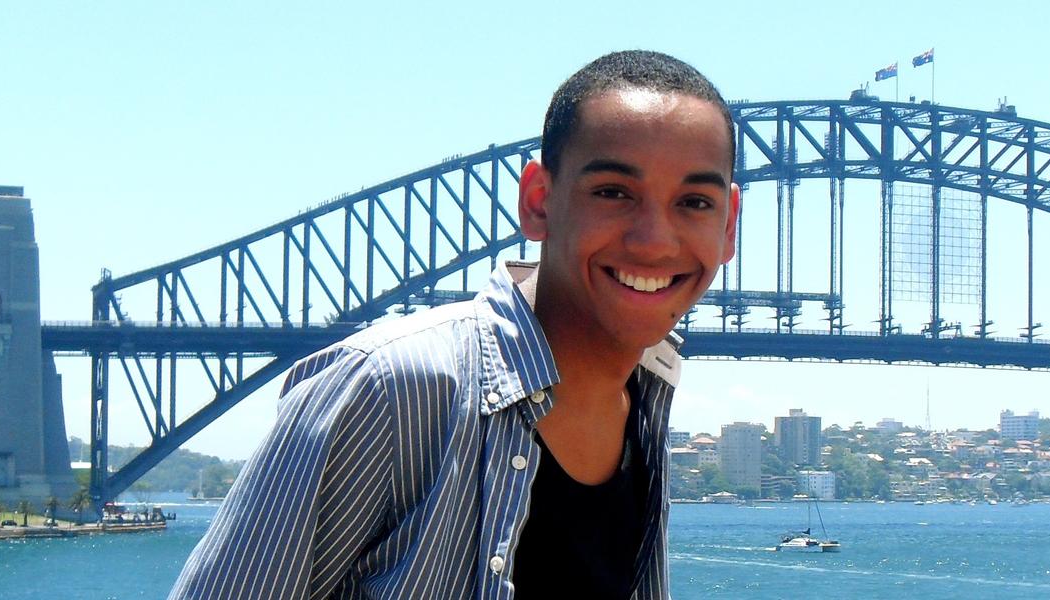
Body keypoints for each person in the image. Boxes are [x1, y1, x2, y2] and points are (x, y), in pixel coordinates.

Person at [169, 50, 739, 600]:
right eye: (613, 192)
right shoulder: (389, 389)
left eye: (694, 203)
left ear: (730, 225)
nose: (655, 240)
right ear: (538, 201)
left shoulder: (645, 404)